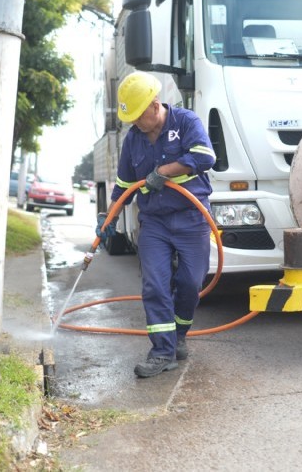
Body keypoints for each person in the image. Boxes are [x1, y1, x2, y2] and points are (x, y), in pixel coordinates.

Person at [96, 71, 216, 378]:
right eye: (131, 118)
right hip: (154, 223)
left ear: (155, 104)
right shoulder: (133, 141)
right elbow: (123, 186)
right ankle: (162, 351)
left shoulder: (185, 122)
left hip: (192, 216)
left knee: (190, 282)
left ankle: (178, 336)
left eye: (139, 116)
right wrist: (107, 218)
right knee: (155, 284)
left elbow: (205, 156)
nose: (136, 123)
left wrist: (164, 171)